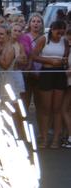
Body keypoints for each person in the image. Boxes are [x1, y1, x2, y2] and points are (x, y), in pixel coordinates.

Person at [32, 19, 68, 148]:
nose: (60, 35)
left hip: (59, 73)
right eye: (58, 32)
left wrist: (62, 61)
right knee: (46, 109)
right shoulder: (43, 39)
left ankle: (56, 139)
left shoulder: (64, 41)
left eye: (62, 32)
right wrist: (50, 61)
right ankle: (44, 137)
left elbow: (66, 57)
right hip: (47, 72)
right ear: (52, 30)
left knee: (57, 109)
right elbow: (34, 55)